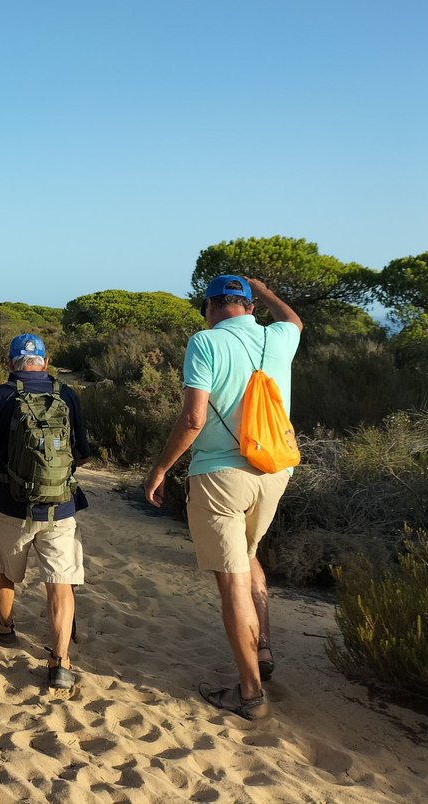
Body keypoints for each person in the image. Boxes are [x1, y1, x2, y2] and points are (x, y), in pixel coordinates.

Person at [144, 275, 302, 722]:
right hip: (274, 471)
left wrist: (159, 469)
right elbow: (293, 319)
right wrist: (266, 289)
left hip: (220, 474)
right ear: (250, 307)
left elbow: (194, 417)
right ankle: (263, 647)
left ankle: (250, 695)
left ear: (210, 306)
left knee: (231, 580)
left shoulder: (205, 342)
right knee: (250, 554)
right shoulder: (278, 337)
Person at [0, 333, 90, 693]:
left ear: (10, 363)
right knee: (60, 581)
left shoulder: (0, 397)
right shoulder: (67, 395)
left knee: (3, 569)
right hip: (60, 508)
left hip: (9, 504)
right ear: (45, 363)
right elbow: (82, 452)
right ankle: (60, 662)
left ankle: (4, 627)